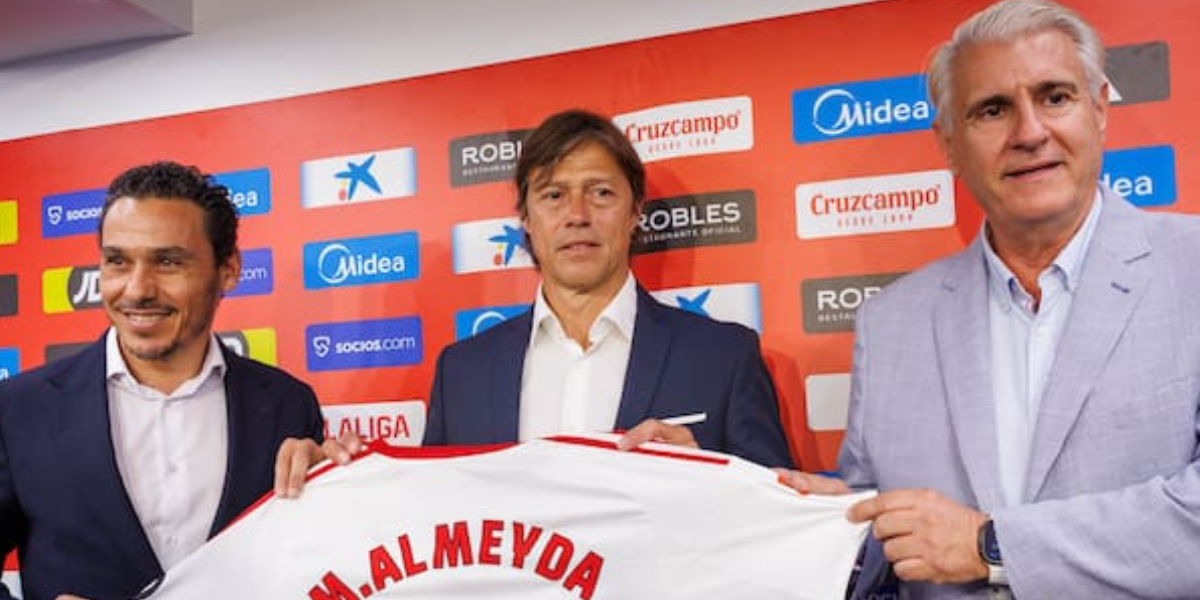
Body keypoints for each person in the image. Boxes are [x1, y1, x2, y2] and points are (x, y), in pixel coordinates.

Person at [777, 1, 1200, 598]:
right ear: (949, 144)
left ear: (1100, 110)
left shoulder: (1191, 268)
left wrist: (990, 544)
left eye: (1055, 97)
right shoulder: (892, 322)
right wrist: (803, 519)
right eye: (992, 110)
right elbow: (878, 552)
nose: (1029, 132)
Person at [276, 109, 793, 496]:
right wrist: (340, 481)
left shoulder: (723, 357)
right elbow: (432, 516)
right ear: (525, 218)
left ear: (637, 212)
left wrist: (709, 474)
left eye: (601, 194)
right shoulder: (464, 372)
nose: (576, 214)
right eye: (552, 195)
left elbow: (779, 518)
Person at [0, 161, 325, 600]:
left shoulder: (290, 405)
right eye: (117, 261)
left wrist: (343, 484)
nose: (136, 289)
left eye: (168, 262)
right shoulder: (18, 408)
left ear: (227, 270)